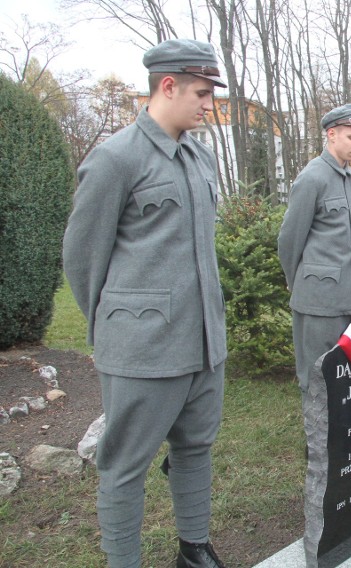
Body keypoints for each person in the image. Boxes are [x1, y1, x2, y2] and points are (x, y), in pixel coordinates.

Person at [63, 39, 229, 567]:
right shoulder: (116, 158)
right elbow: (83, 256)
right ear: (168, 86)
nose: (209, 105)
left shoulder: (198, 156)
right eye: (202, 93)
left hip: (203, 341)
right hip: (144, 347)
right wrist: (113, 330)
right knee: (124, 465)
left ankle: (194, 549)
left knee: (195, 448)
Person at [277, 103, 351, 396]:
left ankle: (337, 441)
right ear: (332, 134)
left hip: (348, 296)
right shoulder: (312, 177)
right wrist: (301, 283)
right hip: (318, 299)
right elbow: (290, 240)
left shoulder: (350, 179)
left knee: (341, 374)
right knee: (316, 375)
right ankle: (316, 442)